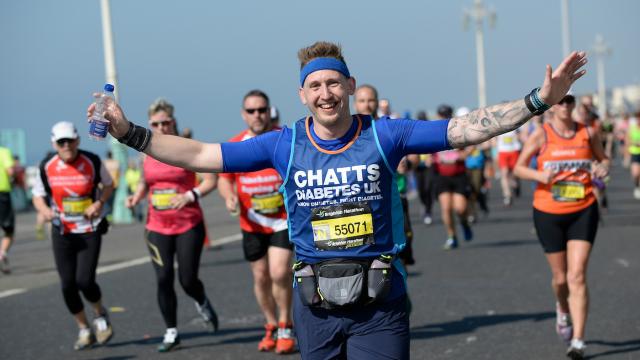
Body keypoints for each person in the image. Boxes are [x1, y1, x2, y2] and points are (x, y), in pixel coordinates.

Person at [90, 41, 587, 359]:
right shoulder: (282, 144)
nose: (325, 93)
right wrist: (129, 132)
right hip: (316, 303)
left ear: (350, 86)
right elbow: (200, 153)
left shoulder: (387, 135)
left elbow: (463, 129)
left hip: (380, 299)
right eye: (315, 86)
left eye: (334, 83)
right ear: (302, 95)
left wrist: (538, 101)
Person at [514, 94, 609, 359]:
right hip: (548, 212)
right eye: (561, 101)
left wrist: (602, 168)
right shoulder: (541, 135)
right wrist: (539, 175)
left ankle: (578, 340)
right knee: (560, 278)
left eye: (570, 101)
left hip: (583, 208)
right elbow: (519, 168)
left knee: (577, 275)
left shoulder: (587, 133)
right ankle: (562, 308)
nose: (565, 106)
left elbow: (604, 159)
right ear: (552, 106)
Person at [124, 98, 219, 352]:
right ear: (150, 124)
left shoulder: (187, 147)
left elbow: (210, 180)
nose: (162, 127)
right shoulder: (146, 150)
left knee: (187, 280)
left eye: (166, 122)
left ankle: (201, 301)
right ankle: (171, 331)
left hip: (188, 224)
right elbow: (147, 181)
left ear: (173, 122)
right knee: (163, 278)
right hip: (157, 226)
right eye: (156, 123)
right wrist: (137, 196)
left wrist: (190, 196)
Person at [217, 90, 295, 354]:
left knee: (279, 272)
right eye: (251, 111)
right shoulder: (236, 144)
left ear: (269, 110)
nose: (257, 115)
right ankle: (271, 325)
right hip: (251, 222)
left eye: (261, 109)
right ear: (243, 114)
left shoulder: (284, 139)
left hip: (282, 221)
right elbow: (224, 178)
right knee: (261, 277)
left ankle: (286, 324)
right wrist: (229, 197)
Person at [31, 122, 115, 350]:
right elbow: (37, 195)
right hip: (63, 232)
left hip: (89, 229)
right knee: (67, 285)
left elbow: (108, 185)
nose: (66, 145)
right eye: (61, 142)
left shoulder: (92, 161)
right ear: (54, 144)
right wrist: (44, 210)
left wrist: (99, 202)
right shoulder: (46, 166)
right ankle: (84, 329)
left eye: (70, 140)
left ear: (78, 140)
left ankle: (100, 315)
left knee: (85, 281)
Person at [354, 84, 415, 266]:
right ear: (355, 103)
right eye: (362, 101)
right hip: (362, 202)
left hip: (394, 196)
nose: (366, 105)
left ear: (377, 102)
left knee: (401, 245)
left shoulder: (388, 128)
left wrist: (407, 163)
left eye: (370, 100)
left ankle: (399, 286)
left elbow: (414, 154)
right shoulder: (347, 132)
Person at [432, 104, 474, 250]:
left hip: (458, 175)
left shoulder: (459, 129)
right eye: (441, 115)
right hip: (442, 175)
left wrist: (462, 155)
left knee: (460, 209)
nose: (444, 117)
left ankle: (464, 224)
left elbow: (473, 144)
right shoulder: (433, 130)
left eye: (447, 114)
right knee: (446, 208)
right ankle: (451, 236)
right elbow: (426, 147)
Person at [0, 146, 15, 274]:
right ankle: (2, 253)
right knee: (8, 229)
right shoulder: (4, 152)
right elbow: (10, 171)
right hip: (2, 193)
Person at [627, 111, 640, 199]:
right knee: (635, 173)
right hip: (635, 152)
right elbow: (627, 141)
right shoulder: (632, 129)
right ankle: (636, 186)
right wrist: (635, 143)